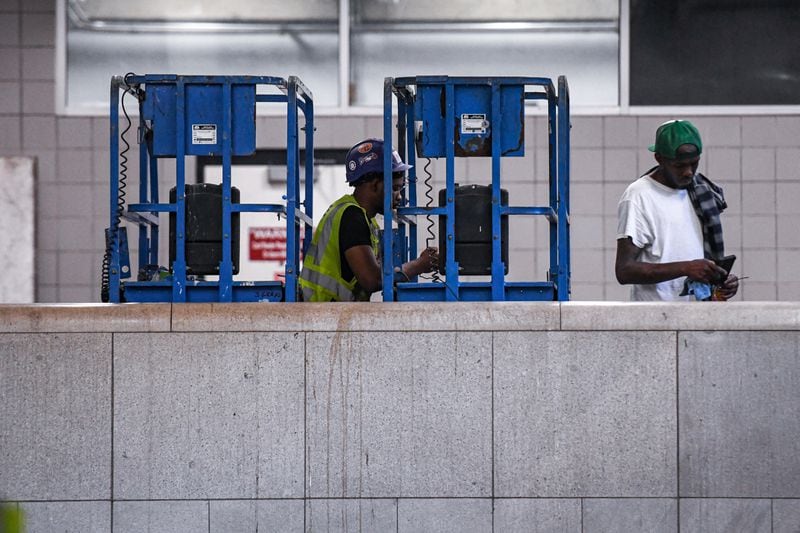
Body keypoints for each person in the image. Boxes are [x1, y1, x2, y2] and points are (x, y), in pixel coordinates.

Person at [299, 138, 438, 301]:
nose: (399, 197)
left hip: (328, 314)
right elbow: (373, 280)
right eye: (395, 188)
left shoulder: (365, 219)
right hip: (322, 315)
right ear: (374, 184)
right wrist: (419, 265)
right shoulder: (352, 216)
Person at [615, 120, 739, 301]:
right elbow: (624, 271)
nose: (689, 172)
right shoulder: (639, 196)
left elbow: (702, 259)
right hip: (655, 319)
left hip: (699, 318)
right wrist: (686, 268)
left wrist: (721, 280)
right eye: (679, 165)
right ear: (659, 158)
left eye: (694, 164)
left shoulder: (701, 192)